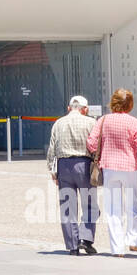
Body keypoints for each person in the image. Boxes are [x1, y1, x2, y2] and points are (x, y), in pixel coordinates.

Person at [86, 88, 137, 257]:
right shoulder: (134, 122)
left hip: (109, 168)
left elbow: (91, 143)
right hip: (130, 168)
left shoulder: (103, 120)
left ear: (113, 102)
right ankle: (133, 239)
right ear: (129, 105)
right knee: (132, 206)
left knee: (113, 209)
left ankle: (117, 249)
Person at [46, 95, 98, 255]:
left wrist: (52, 170)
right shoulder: (91, 122)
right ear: (85, 109)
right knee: (90, 204)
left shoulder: (58, 123)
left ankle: (72, 246)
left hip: (64, 166)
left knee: (68, 207)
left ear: (69, 108)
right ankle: (85, 238)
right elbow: (96, 145)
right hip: (84, 164)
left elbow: (52, 148)